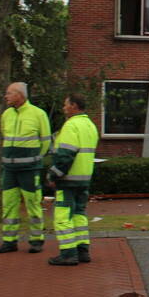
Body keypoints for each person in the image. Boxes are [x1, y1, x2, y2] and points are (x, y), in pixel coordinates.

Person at [0, 82, 51, 254]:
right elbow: (4, 135)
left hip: (29, 169)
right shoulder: (6, 114)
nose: (6, 96)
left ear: (20, 95)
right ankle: (9, 241)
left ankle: (36, 240)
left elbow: (46, 140)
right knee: (9, 205)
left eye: (9, 93)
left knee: (33, 204)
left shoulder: (38, 114)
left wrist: (35, 159)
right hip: (9, 169)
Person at [46, 93, 99, 266]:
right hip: (84, 179)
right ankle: (82, 250)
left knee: (63, 216)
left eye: (66, 104)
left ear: (74, 106)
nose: (63, 108)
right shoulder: (90, 125)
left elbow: (65, 155)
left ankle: (68, 253)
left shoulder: (71, 125)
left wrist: (53, 174)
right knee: (79, 214)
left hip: (68, 179)